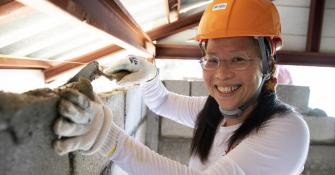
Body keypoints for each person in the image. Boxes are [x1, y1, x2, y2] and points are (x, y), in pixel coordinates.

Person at [52, 0, 310, 174]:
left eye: (238, 59)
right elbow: (161, 103)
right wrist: (150, 76)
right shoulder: (214, 112)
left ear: (268, 63)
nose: (222, 74)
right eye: (212, 59)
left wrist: (110, 140)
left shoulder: (287, 131)